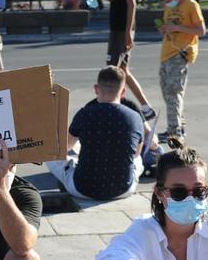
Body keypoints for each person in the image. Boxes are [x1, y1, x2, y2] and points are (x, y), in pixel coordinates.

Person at [47, 66, 144, 200]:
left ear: (96, 89)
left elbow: (64, 147)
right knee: (138, 160)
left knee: (50, 155)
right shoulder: (135, 117)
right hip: (123, 189)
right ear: (123, 92)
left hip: (82, 189)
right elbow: (136, 154)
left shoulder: (84, 113)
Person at [92, 0, 156, 121]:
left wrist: (128, 32)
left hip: (121, 30)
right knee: (122, 70)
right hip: (118, 29)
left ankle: (112, 107)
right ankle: (146, 108)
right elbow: (121, 0)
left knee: (112, 71)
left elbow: (132, 4)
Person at [156, 0, 206, 148]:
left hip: (181, 52)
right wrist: (165, 29)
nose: (166, 4)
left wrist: (177, 27)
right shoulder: (169, 6)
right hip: (166, 51)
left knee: (174, 91)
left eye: (168, 0)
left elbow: (201, 30)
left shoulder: (191, 5)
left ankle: (174, 131)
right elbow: (169, 25)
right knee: (166, 91)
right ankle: (178, 125)